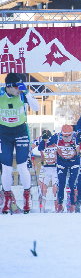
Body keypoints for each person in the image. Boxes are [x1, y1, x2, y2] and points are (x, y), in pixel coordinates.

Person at [0, 73, 40, 213]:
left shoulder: (22, 95)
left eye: (20, 87)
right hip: (4, 133)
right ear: (9, 87)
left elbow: (36, 108)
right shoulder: (0, 94)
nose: (19, 89)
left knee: (23, 167)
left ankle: (26, 199)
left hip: (21, 132)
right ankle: (7, 200)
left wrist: (27, 92)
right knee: (7, 169)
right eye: (17, 87)